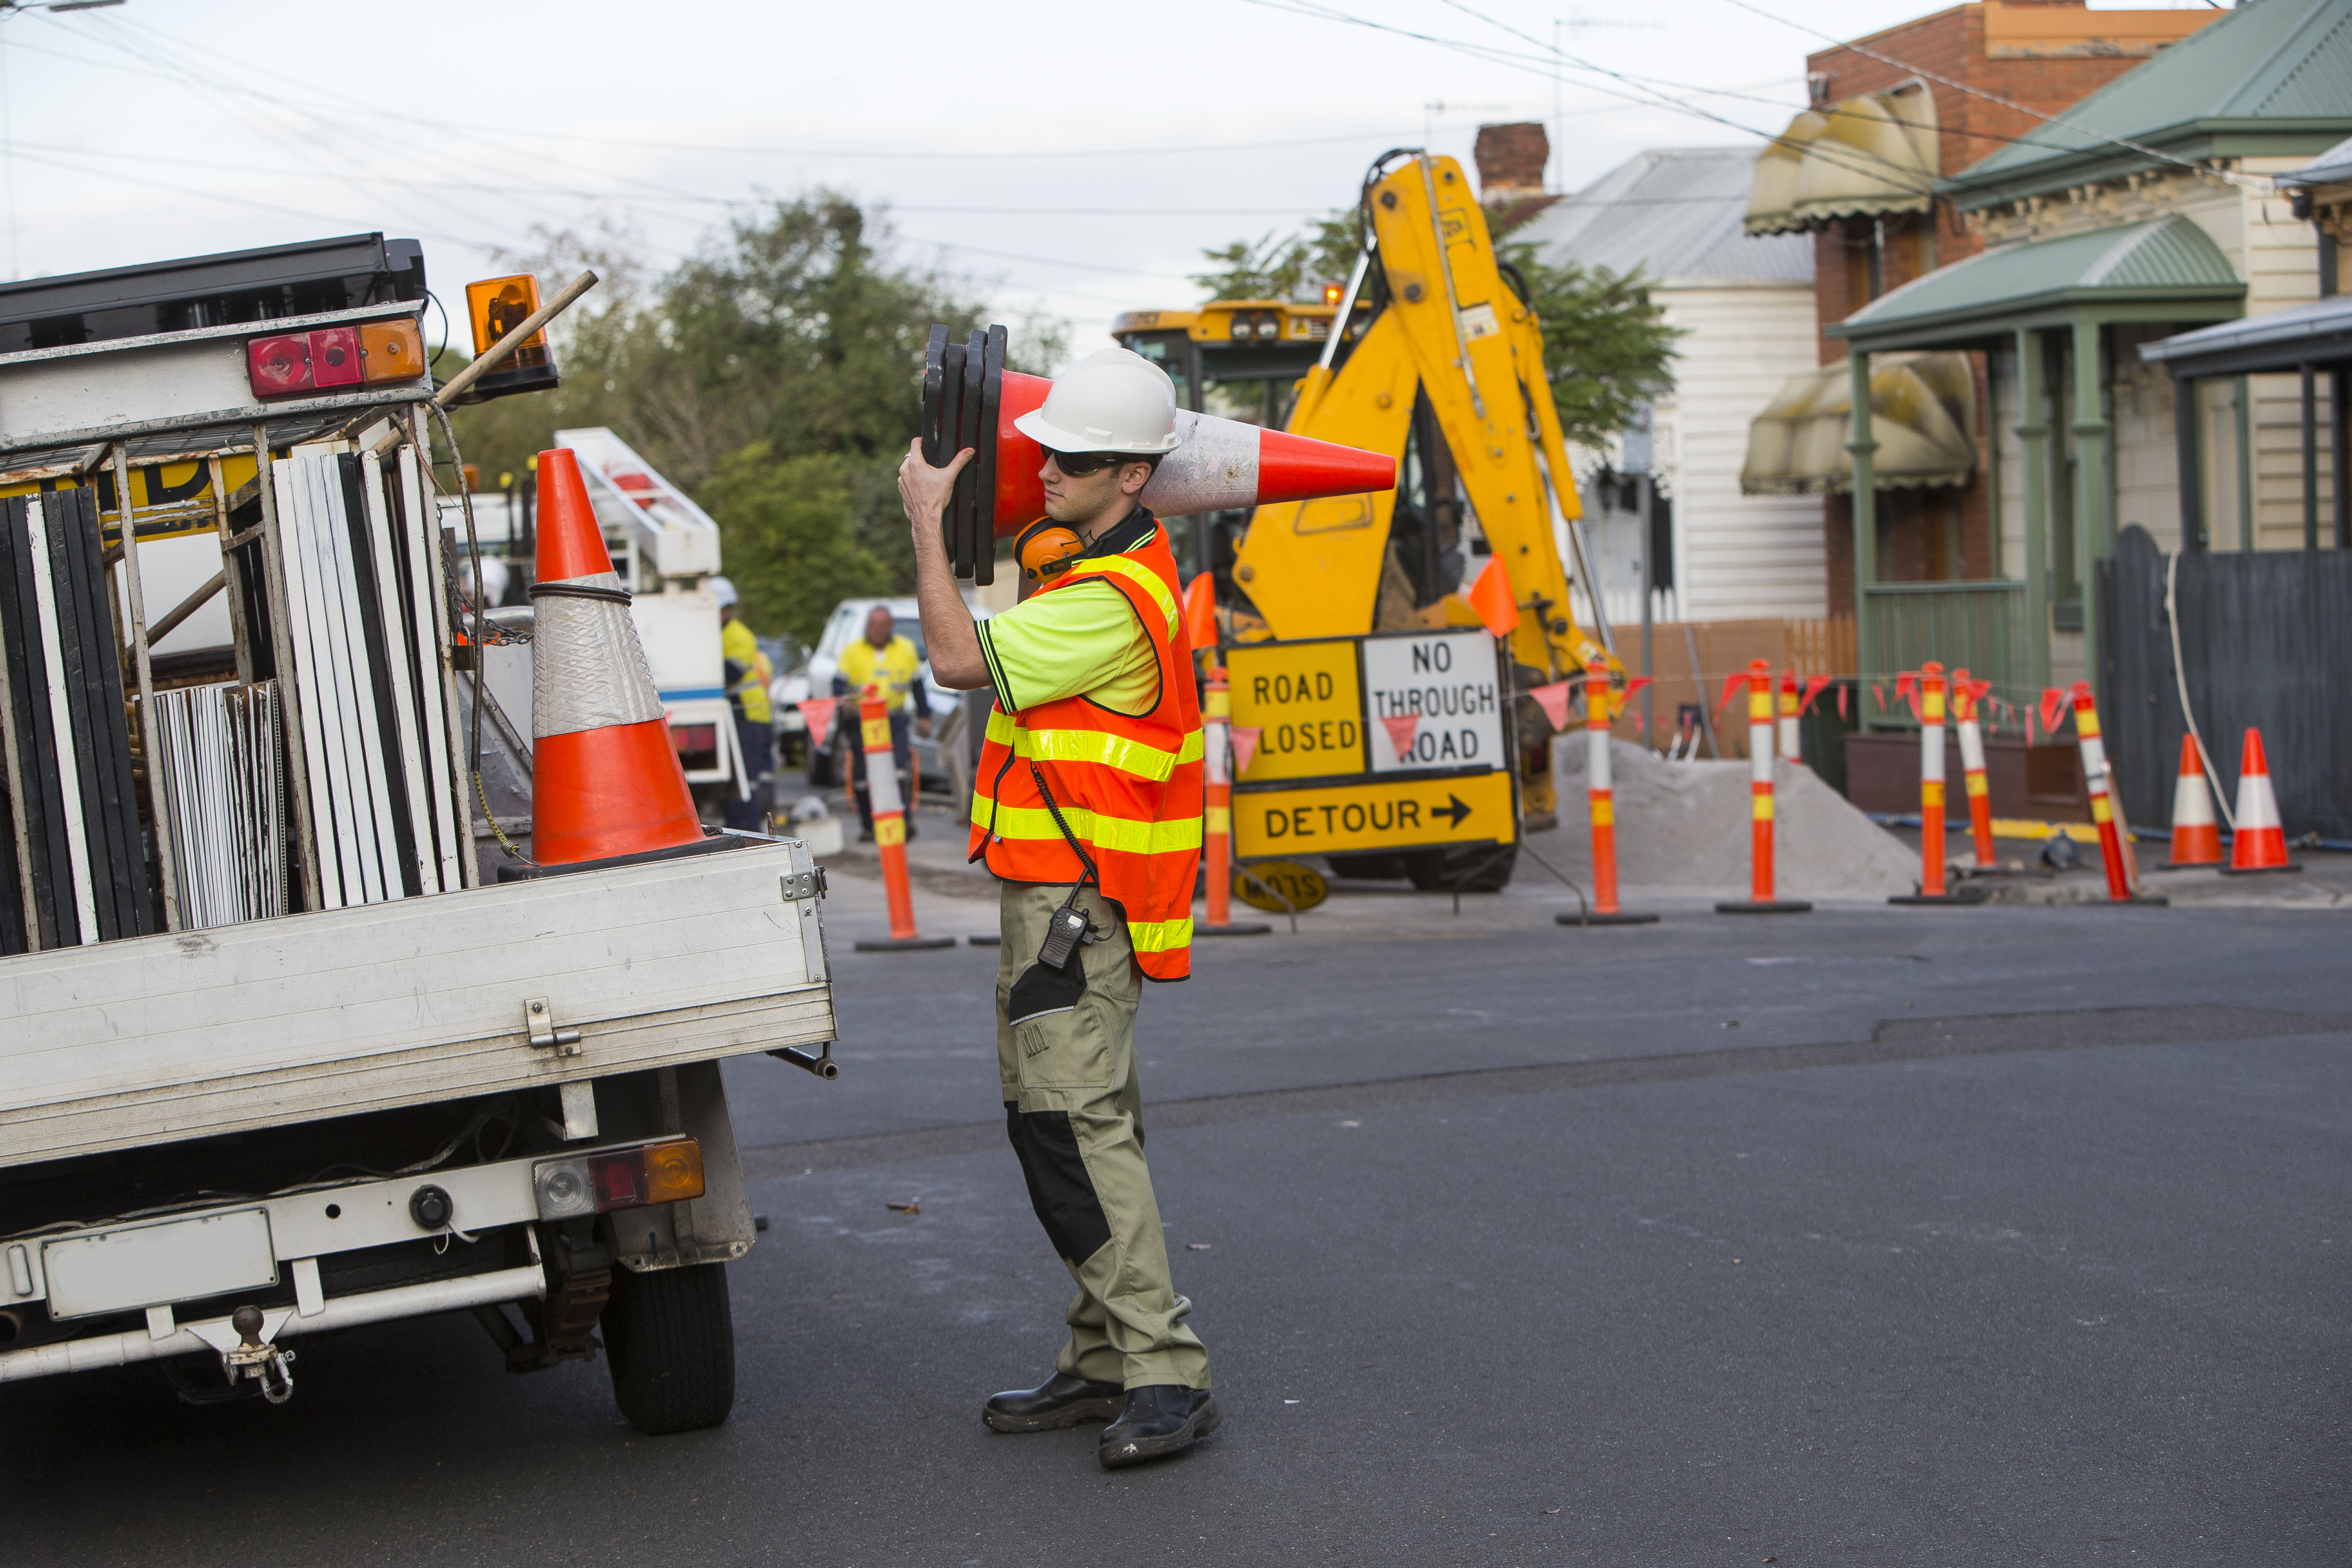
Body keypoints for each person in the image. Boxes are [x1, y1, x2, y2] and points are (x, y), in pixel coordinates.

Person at [898, 346, 1215, 1470]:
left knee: (1072, 1132)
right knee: (1085, 1123)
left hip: (1073, 912)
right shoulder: (1110, 573)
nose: (1048, 469)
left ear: (1135, 477)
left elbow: (951, 656)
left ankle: (1164, 1369)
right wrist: (1027, 535)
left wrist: (929, 524)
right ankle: (1102, 1357)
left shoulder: (1107, 608)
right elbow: (1042, 571)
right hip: (1077, 904)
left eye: (1074, 462)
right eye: (1046, 450)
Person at [835, 605, 931, 841]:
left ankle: (903, 821)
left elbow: (917, 686)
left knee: (898, 770)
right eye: (873, 626)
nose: (877, 631)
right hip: (861, 721)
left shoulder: (905, 649)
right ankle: (869, 826)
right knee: (863, 775)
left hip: (894, 719)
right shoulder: (853, 651)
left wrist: (924, 716)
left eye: (882, 626)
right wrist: (843, 703)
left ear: (889, 628)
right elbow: (837, 685)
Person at [710, 576, 773, 833]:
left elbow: (731, 672)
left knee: (746, 781)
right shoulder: (718, 634)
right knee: (734, 779)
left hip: (748, 715)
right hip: (738, 715)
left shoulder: (739, 636)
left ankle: (749, 831)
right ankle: (736, 829)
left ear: (725, 610)